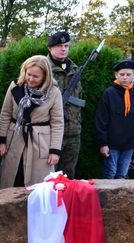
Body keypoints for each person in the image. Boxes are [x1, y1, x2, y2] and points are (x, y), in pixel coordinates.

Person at [0, 55, 64, 189]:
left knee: (37, 186)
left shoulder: (54, 92)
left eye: (36, 76)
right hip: (15, 139)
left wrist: (55, 151)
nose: (31, 79)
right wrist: (1, 141)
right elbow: (5, 114)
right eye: (29, 74)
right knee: (11, 180)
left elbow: (57, 123)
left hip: (40, 144)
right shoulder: (15, 87)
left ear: (45, 76)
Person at [95, 60, 134, 179]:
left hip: (129, 144)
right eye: (122, 74)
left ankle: (119, 198)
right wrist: (103, 143)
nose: (125, 77)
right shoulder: (109, 93)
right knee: (110, 173)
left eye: (128, 74)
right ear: (116, 75)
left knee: (122, 174)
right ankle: (106, 198)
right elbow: (101, 120)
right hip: (112, 144)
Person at [47, 31, 84, 178]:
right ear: (50, 48)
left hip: (73, 132)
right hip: (51, 132)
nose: (63, 49)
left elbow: (79, 99)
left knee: (68, 177)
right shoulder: (44, 69)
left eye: (66, 45)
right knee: (48, 176)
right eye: (59, 46)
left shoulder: (75, 70)